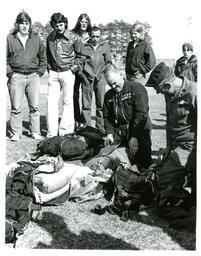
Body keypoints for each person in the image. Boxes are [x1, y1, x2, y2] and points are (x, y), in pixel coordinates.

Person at [146, 62, 197, 228]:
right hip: (177, 146)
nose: (159, 93)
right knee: (160, 178)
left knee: (166, 179)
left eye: (160, 90)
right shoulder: (170, 94)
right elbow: (169, 123)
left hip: (192, 146)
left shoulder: (195, 92)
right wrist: (168, 147)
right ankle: (183, 180)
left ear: (167, 84)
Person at [7, 11, 47, 141]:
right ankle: (16, 133)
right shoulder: (9, 38)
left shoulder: (36, 39)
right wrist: (10, 73)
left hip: (33, 76)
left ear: (30, 25)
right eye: (22, 23)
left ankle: (35, 132)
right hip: (16, 76)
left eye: (27, 23)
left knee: (35, 107)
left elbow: (43, 57)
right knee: (16, 107)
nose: (24, 26)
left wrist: (39, 72)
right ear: (17, 24)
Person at [103, 65, 152, 170]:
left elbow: (141, 115)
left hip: (139, 129)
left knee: (142, 165)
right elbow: (107, 118)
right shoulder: (108, 95)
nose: (113, 87)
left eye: (115, 83)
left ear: (121, 75)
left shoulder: (137, 89)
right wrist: (110, 133)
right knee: (113, 162)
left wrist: (135, 137)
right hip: (121, 132)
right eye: (110, 84)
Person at [46, 12, 82, 137]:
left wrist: (73, 68)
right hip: (54, 73)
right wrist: (49, 68)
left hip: (67, 72)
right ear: (53, 25)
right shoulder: (50, 37)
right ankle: (51, 132)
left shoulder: (75, 37)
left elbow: (81, 56)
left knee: (67, 102)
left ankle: (65, 131)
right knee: (51, 102)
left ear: (65, 24)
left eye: (61, 24)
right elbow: (47, 55)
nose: (59, 27)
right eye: (56, 25)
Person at [79, 26, 112, 131]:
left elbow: (109, 62)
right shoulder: (84, 47)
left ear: (100, 36)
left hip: (100, 79)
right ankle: (87, 127)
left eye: (97, 36)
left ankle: (100, 128)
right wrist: (83, 76)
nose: (95, 39)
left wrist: (103, 74)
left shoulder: (105, 46)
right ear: (89, 35)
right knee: (86, 105)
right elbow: (79, 63)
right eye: (93, 36)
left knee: (101, 105)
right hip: (87, 80)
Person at [72, 14, 92, 129]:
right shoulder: (73, 35)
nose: (83, 24)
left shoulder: (92, 35)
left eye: (86, 22)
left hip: (88, 70)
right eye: (82, 21)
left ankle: (85, 121)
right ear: (79, 22)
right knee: (74, 95)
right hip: (76, 69)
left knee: (86, 96)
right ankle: (76, 119)